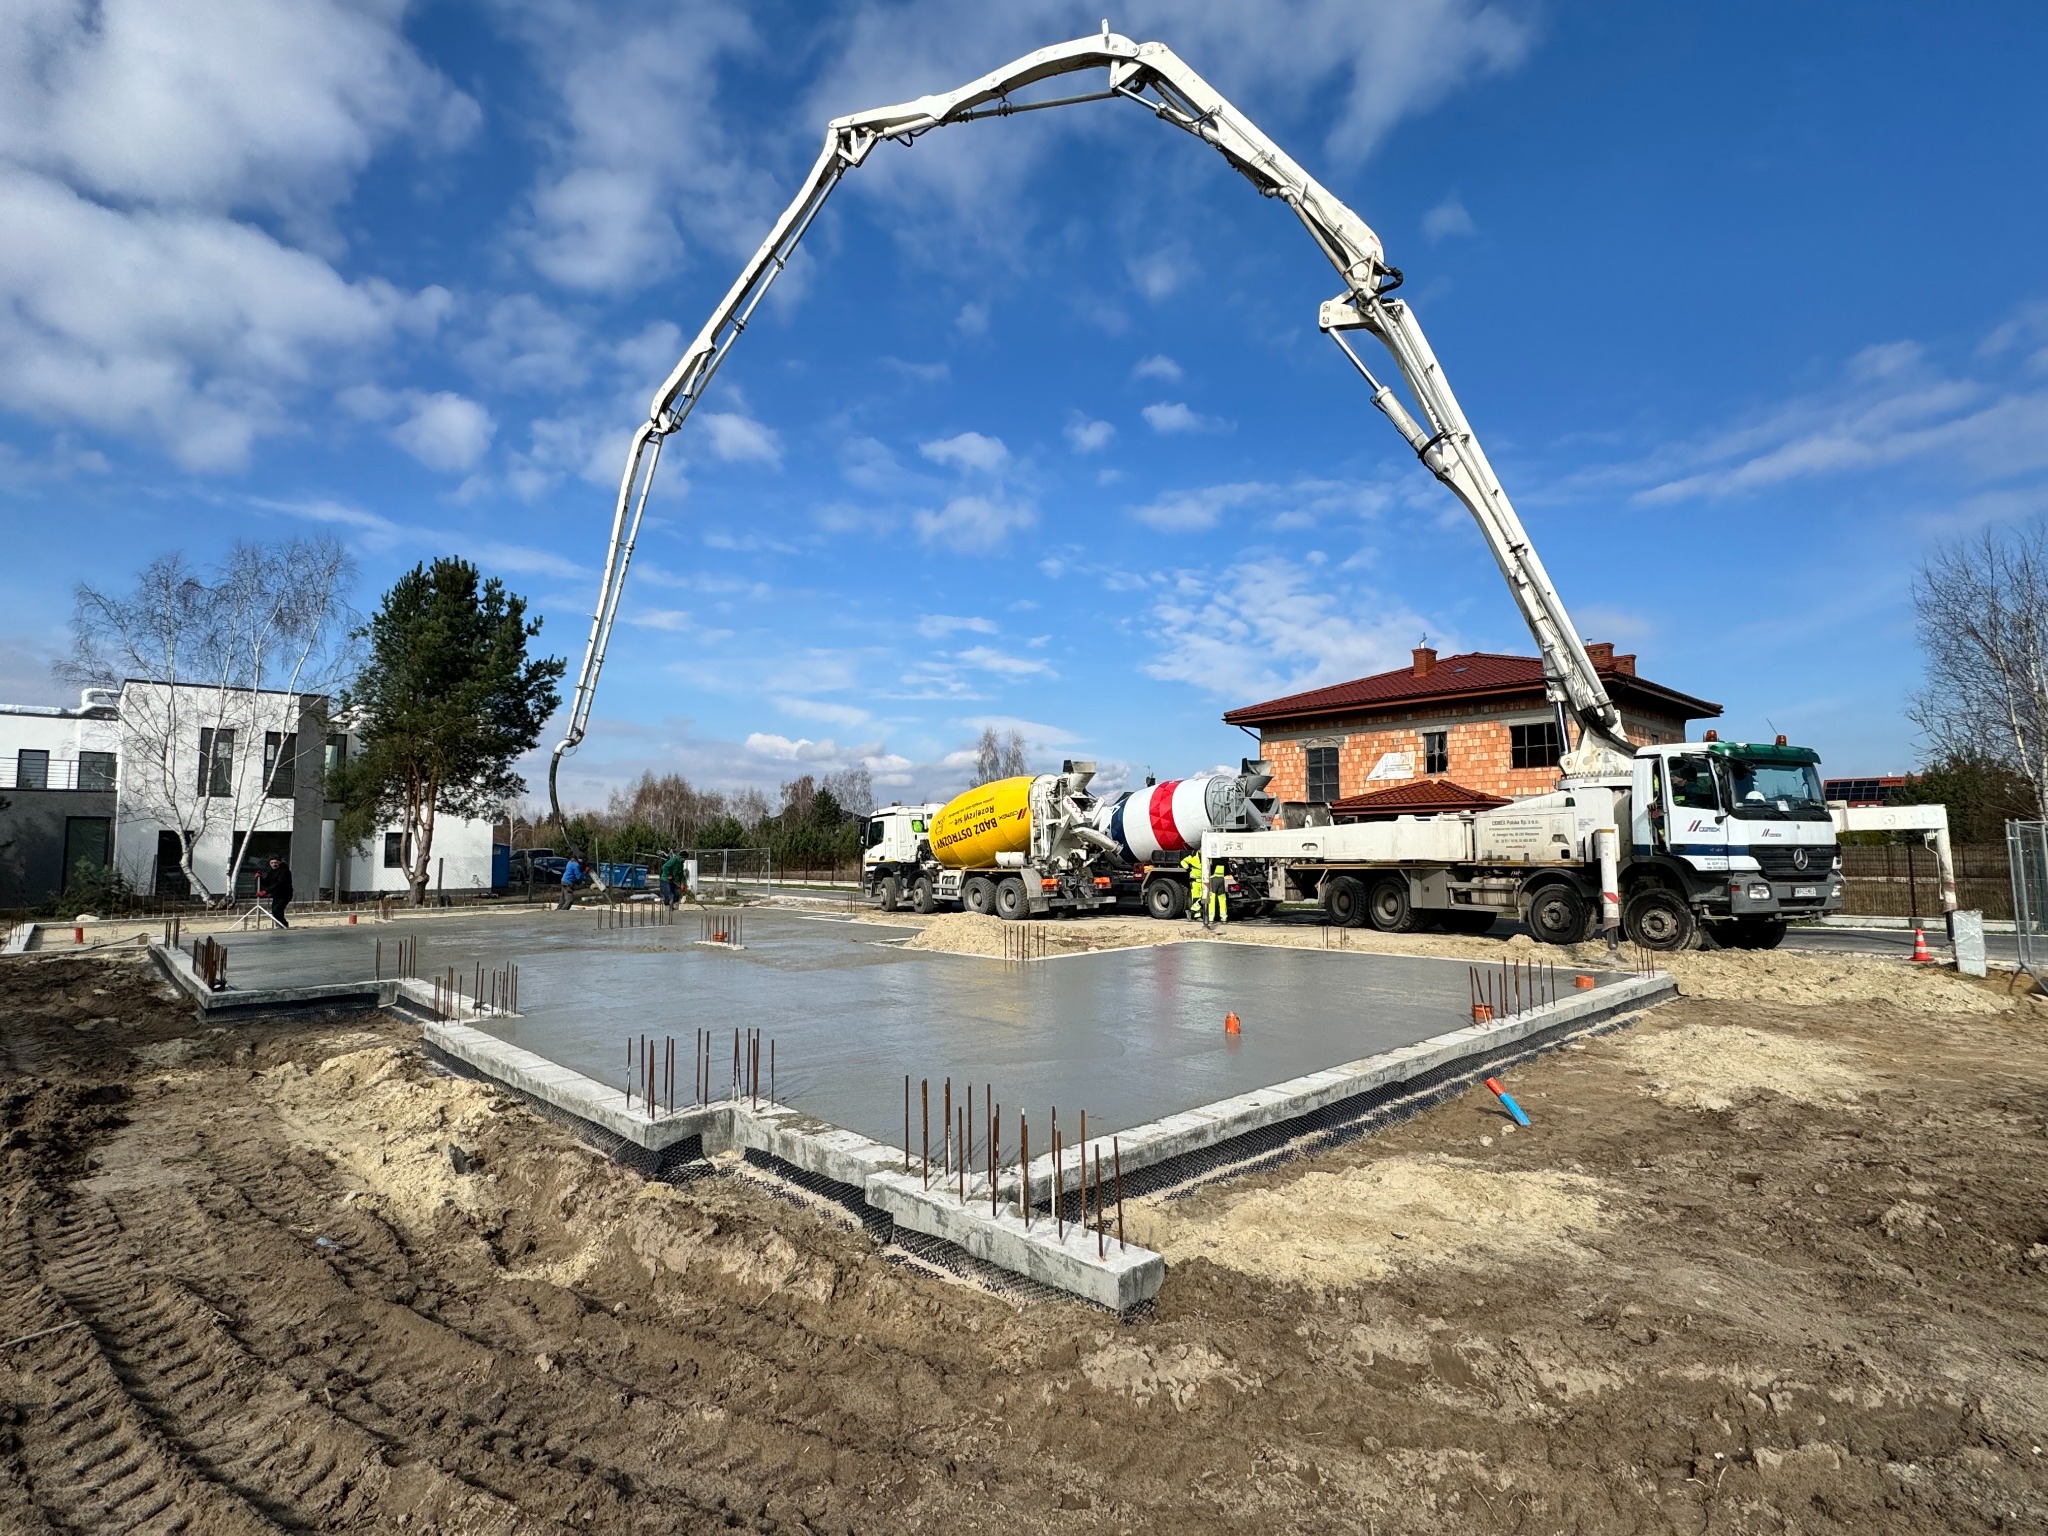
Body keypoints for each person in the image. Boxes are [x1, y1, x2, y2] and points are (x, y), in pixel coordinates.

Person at [262, 856, 293, 928]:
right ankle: (280, 925)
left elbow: (279, 883)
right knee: (275, 911)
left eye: (275, 863)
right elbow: (267, 882)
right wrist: (260, 878)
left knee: (277, 910)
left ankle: (283, 925)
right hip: (276, 894)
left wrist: (266, 891)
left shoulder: (284, 871)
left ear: (279, 863)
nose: (274, 864)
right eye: (272, 863)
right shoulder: (271, 872)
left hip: (285, 894)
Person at [1180, 850, 1204, 921]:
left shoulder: (1205, 859)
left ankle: (1191, 911)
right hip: (1195, 881)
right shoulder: (1192, 858)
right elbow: (1183, 861)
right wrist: (1187, 868)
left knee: (1203, 898)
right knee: (1196, 898)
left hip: (1203, 881)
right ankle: (1197, 916)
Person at [1208, 859, 1230, 925]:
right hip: (1221, 879)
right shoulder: (1225, 860)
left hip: (1213, 879)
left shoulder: (1213, 859)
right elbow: (1227, 871)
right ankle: (1224, 918)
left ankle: (1211, 918)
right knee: (1222, 899)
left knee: (1212, 899)